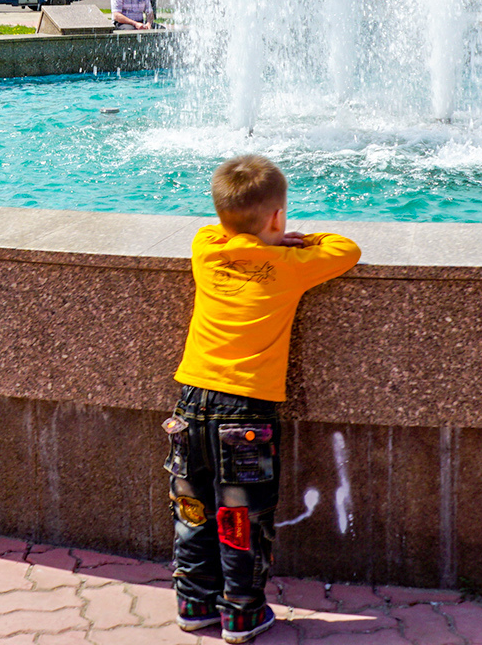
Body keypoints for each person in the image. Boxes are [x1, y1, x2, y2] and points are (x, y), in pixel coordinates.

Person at [164, 155, 360, 643]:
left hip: (190, 405)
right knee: (241, 521)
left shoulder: (206, 250)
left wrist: (256, 233)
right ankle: (242, 614)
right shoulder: (290, 265)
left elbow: (215, 229)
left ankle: (193, 604)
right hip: (246, 412)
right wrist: (291, 241)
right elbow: (346, 248)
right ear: (277, 217)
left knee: (192, 512)